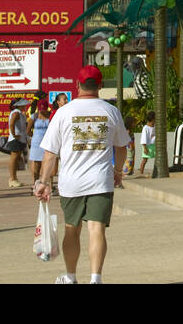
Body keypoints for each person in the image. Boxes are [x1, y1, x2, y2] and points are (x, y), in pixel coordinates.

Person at [35, 65, 129, 284]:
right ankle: (95, 279)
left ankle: (70, 277)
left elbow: (50, 154)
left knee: (72, 229)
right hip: (100, 181)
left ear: (77, 85)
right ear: (100, 86)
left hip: (71, 183)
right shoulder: (110, 111)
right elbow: (122, 147)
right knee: (96, 229)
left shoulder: (63, 112)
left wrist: (43, 182)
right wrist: (117, 172)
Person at [28, 97, 52, 188]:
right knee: (36, 164)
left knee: (47, 163)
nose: (43, 111)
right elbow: (28, 130)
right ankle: (35, 183)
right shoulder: (34, 116)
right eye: (41, 109)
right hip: (36, 142)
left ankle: (45, 183)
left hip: (47, 142)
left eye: (44, 108)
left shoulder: (50, 115)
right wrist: (34, 138)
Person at [7, 98, 30, 187]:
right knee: (14, 158)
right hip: (15, 140)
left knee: (16, 159)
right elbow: (12, 124)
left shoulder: (20, 113)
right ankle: (12, 178)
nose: (25, 106)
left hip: (20, 139)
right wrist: (14, 135)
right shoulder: (16, 112)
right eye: (23, 105)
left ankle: (14, 178)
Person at [136, 112, 155, 177]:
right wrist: (145, 147)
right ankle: (141, 172)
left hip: (154, 145)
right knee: (145, 160)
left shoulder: (155, 126)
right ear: (153, 119)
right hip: (147, 146)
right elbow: (143, 138)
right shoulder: (145, 128)